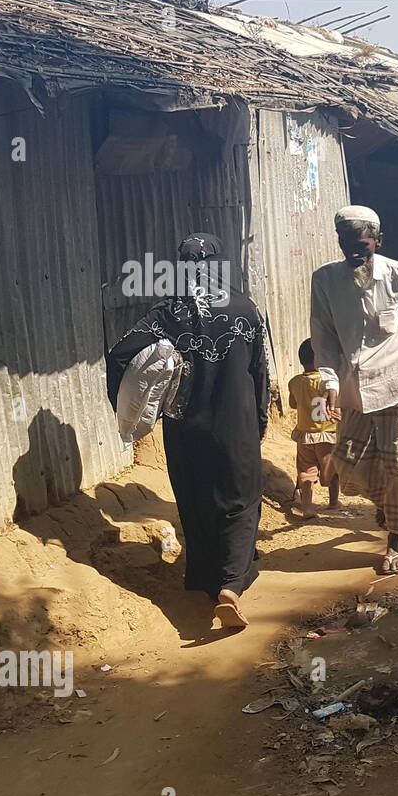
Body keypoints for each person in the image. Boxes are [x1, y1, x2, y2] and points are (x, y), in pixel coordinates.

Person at [105, 233, 268, 629]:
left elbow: (120, 354)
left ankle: (204, 579)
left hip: (184, 428)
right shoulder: (245, 309)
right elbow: (259, 372)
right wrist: (260, 418)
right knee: (240, 500)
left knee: (196, 499)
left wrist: (137, 406)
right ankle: (231, 585)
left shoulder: (165, 314)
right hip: (236, 424)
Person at [311, 205, 398, 575]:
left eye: (361, 244)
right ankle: (384, 504)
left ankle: (396, 541)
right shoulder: (325, 279)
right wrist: (330, 380)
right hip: (353, 388)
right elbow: (324, 333)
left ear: (378, 241)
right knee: (352, 463)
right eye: (346, 243)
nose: (353, 251)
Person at [288, 338, 341, 519]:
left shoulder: (294, 382)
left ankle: (307, 507)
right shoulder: (330, 383)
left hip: (305, 434)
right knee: (331, 471)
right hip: (328, 434)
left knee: (306, 470)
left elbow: (293, 404)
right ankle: (333, 503)